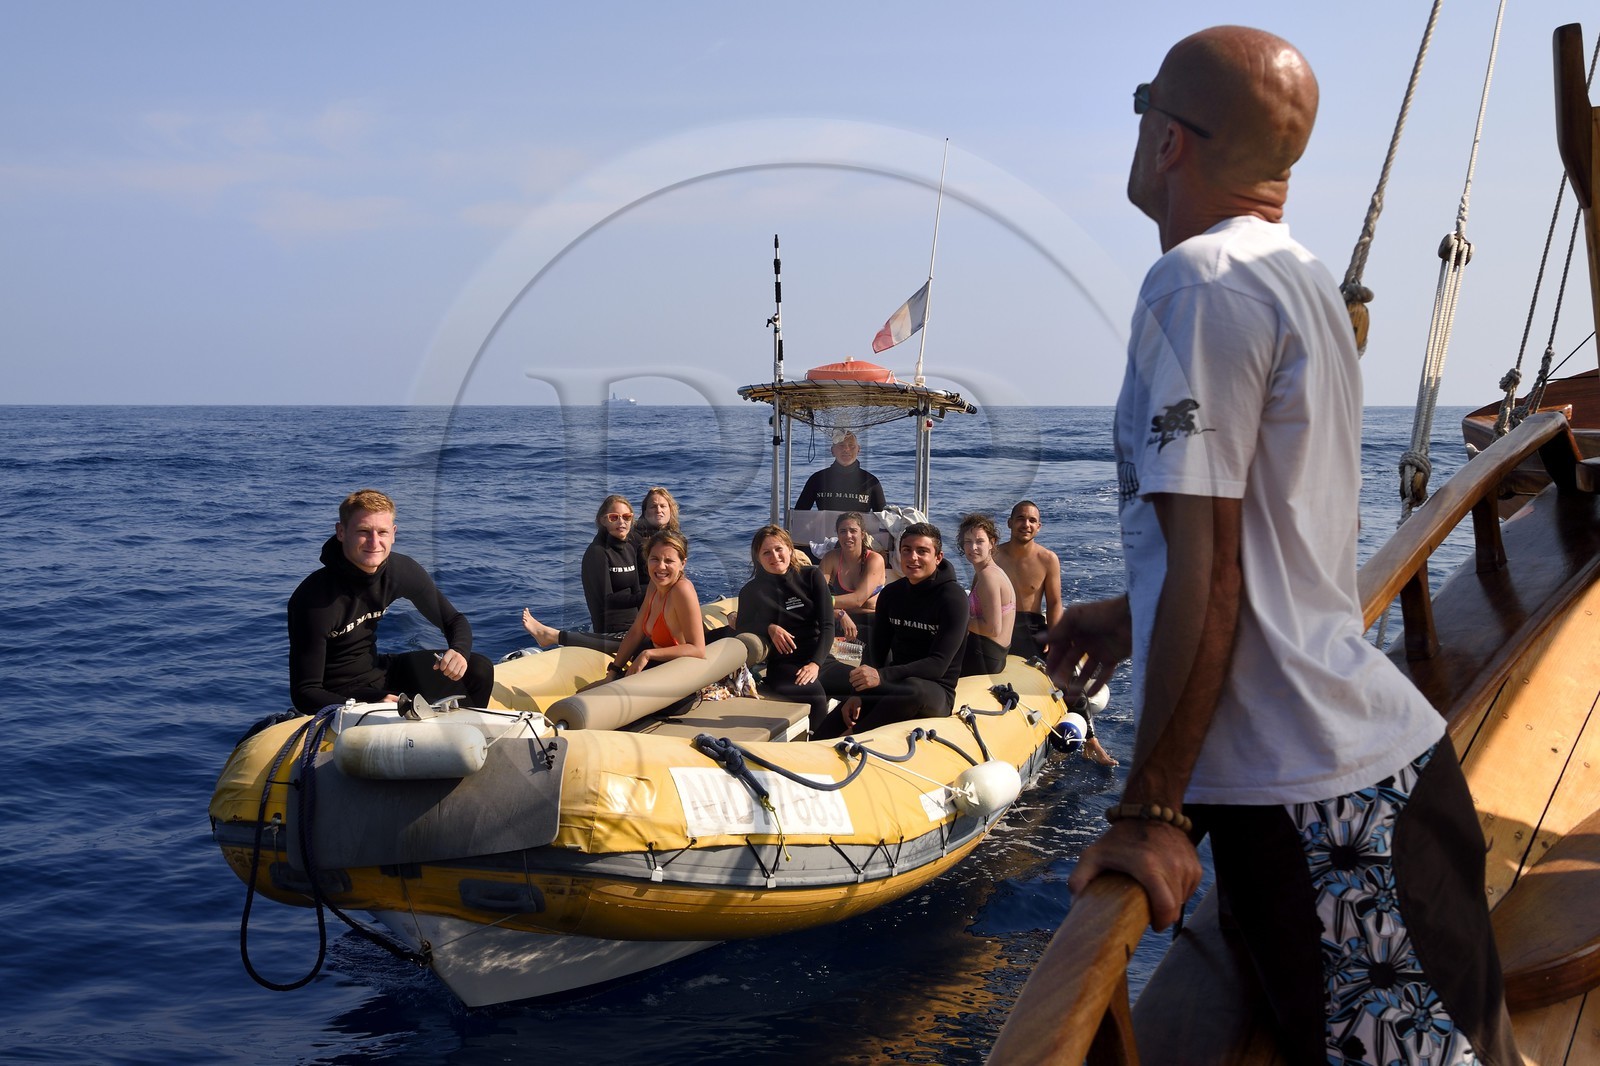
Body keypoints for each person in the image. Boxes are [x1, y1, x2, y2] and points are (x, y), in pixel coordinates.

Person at [1051, 27, 1515, 1064]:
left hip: (1319, 814)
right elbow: (1268, 536)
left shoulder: (1197, 287)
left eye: (1141, 112)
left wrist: (1148, 813)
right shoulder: (1295, 276)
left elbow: (1216, 572)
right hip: (1370, 784)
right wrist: (1132, 612)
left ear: (1168, 140)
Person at [288, 489, 494, 713]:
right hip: (339, 692)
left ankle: (468, 737)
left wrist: (458, 651)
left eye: (382, 532)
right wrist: (367, 706)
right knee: (398, 709)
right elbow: (305, 692)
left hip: (380, 671)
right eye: (363, 531)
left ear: (393, 533)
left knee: (478, 669)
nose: (374, 542)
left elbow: (454, 620)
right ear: (341, 532)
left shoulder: (400, 571)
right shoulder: (313, 600)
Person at [816, 522, 967, 738]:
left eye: (922, 551)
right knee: (831, 724)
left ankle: (853, 736)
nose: (913, 557)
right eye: (907, 550)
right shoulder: (892, 594)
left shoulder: (953, 599)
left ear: (938, 557)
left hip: (934, 691)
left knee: (913, 689)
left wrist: (881, 676)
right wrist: (858, 693)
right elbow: (877, 650)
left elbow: (938, 665)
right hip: (893, 682)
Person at [735, 525, 835, 733]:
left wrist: (816, 663)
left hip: (819, 658)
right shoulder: (752, 591)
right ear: (758, 558)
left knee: (862, 685)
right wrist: (769, 627)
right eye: (766, 552)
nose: (775, 556)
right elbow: (742, 626)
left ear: (790, 549)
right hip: (785, 665)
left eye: (779, 549)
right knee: (816, 697)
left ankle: (844, 735)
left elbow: (827, 625)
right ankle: (819, 749)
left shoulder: (811, 576)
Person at [522, 494, 643, 653]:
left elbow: (637, 591)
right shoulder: (597, 553)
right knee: (636, 646)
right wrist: (648, 597)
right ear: (603, 520)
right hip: (611, 628)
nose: (622, 522)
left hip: (634, 625)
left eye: (627, 517)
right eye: (614, 517)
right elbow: (606, 600)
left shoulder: (629, 548)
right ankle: (552, 636)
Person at [608, 529, 706, 676]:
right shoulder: (654, 586)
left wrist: (648, 654)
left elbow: (698, 649)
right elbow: (636, 631)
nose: (660, 566)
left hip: (680, 670)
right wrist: (613, 672)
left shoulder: (682, 590)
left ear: (682, 564)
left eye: (669, 561)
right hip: (657, 664)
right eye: (654, 559)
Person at [994, 501, 1063, 659]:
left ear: (1038, 526)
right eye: (1020, 518)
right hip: (998, 625)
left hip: (1032, 628)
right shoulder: (993, 557)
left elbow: (1054, 602)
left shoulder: (1048, 559)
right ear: (1010, 523)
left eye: (1032, 520)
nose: (1026, 524)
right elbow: (977, 598)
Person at [957, 513, 1015, 676]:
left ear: (992, 543)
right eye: (968, 542)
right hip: (992, 655)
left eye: (979, 541)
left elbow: (993, 628)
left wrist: (955, 620)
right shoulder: (986, 572)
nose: (973, 547)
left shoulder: (988, 576)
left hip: (983, 658)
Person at [818, 511, 885, 649]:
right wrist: (839, 613)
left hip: (871, 621)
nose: (848, 535)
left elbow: (858, 599)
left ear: (862, 534)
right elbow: (814, 594)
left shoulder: (874, 560)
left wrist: (826, 602)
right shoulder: (831, 558)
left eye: (853, 531)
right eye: (843, 531)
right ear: (837, 534)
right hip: (840, 618)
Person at [794, 430, 886, 511]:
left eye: (851, 446)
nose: (846, 449)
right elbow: (799, 515)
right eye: (841, 445)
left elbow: (884, 521)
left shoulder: (871, 481)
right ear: (832, 451)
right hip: (824, 530)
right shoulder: (817, 479)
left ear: (858, 450)